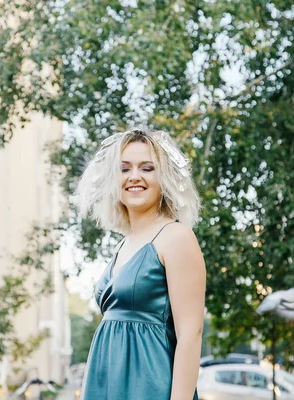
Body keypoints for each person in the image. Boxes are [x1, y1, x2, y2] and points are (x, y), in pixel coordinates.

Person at [76, 128, 206, 400]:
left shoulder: (177, 237)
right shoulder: (125, 243)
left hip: (149, 385)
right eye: (124, 169)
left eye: (147, 168)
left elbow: (190, 335)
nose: (134, 176)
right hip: (106, 383)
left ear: (164, 178)